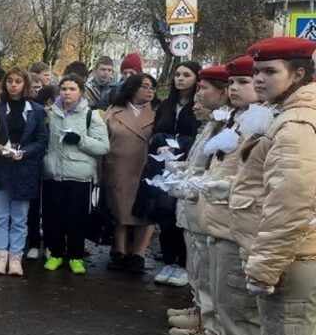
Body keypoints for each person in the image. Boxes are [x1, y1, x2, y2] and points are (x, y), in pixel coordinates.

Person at [222, 36, 316, 335]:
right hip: (289, 254)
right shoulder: (287, 116)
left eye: (269, 72)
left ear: (298, 75)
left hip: (293, 257)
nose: (258, 79)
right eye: (257, 72)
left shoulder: (297, 124)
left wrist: (264, 265)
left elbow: (291, 204)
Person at [191, 55, 261, 335]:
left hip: (240, 227)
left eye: (243, 81)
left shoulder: (265, 123)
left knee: (240, 315)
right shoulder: (238, 119)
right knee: (218, 298)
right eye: (232, 82)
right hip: (220, 220)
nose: (235, 88)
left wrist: (221, 186)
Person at [167, 65, 231, 335]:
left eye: (204, 88)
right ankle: (203, 331)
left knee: (215, 286)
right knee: (201, 274)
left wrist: (196, 182)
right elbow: (201, 162)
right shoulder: (215, 123)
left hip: (217, 217)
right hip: (203, 213)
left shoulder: (229, 125)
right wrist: (182, 172)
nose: (197, 95)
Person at [41, 74, 110, 274]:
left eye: (72, 89)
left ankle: (75, 256)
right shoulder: (50, 113)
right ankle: (55, 253)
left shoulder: (91, 115)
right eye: (64, 89)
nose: (67, 93)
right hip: (53, 173)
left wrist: (79, 140)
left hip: (79, 176)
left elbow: (103, 146)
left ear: (81, 91)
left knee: (76, 218)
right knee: (53, 217)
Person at [0, 67, 48, 276]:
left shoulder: (37, 110)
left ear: (25, 85)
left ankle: (16, 256)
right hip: (1, 166)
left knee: (20, 216)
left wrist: (26, 152)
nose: (13, 85)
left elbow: (42, 141)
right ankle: (0, 255)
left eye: (18, 81)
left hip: (24, 167)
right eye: (10, 81)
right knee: (0, 215)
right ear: (4, 84)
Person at [149, 60, 201, 283]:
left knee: (182, 216)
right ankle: (169, 261)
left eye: (186, 75)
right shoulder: (166, 105)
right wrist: (158, 142)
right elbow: (155, 132)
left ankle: (183, 264)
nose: (180, 78)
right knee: (165, 214)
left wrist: (182, 145)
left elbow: (200, 136)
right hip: (164, 166)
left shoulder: (198, 106)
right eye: (177, 74)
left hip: (188, 167)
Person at [102, 73, 158, 272]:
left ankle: (139, 254)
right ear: (132, 88)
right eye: (144, 86)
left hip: (146, 168)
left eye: (152, 86)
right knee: (119, 210)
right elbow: (102, 139)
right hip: (117, 167)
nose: (150, 90)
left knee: (146, 211)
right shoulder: (114, 111)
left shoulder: (158, 112)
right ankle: (120, 251)